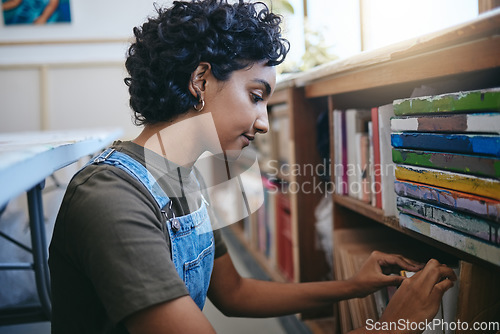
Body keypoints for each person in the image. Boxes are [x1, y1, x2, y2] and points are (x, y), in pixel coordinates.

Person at [48, 0, 457, 333]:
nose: (263, 121)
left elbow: (235, 292)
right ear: (201, 82)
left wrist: (352, 287)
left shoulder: (182, 179)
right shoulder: (111, 198)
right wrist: (393, 326)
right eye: (256, 95)